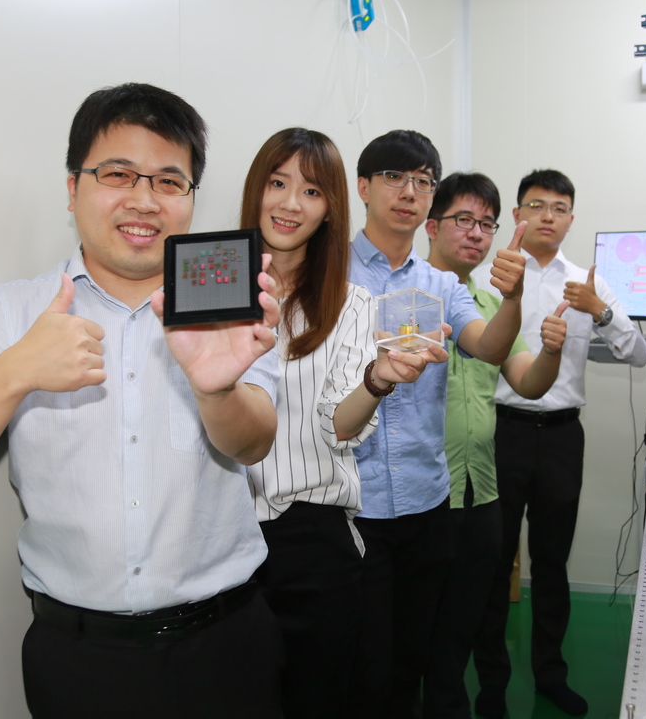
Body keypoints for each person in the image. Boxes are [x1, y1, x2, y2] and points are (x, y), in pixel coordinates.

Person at [0, 83, 284, 719]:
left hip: (226, 643)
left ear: (189, 199)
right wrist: (16, 370)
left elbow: (254, 440)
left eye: (168, 181)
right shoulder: (13, 312)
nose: (143, 199)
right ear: (72, 189)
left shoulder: (230, 307)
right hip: (78, 662)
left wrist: (217, 390)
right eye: (118, 173)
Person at [239, 128, 446, 719]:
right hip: (223, 533)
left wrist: (378, 381)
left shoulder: (350, 304)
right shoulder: (212, 288)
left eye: (311, 190)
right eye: (277, 184)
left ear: (332, 206)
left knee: (319, 697)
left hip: (312, 537)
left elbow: (339, 424)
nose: (290, 203)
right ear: (256, 190)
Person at [346, 130, 526, 719]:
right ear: (364, 186)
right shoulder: (329, 275)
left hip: (427, 503)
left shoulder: (441, 284)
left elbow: (490, 346)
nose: (409, 192)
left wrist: (514, 298)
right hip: (353, 506)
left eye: (423, 181)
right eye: (395, 177)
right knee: (362, 666)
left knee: (414, 660)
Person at [474, 168, 646, 718]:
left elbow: (638, 354)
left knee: (552, 563)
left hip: (561, 437)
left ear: (572, 218)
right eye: (536, 205)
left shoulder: (587, 284)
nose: (547, 216)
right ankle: (492, 687)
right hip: (500, 431)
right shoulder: (493, 274)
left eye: (559, 207)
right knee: (494, 563)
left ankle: (550, 675)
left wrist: (600, 310)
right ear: (519, 215)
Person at [421, 172, 569, 719]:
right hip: (420, 499)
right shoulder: (400, 298)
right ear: (431, 226)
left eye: (487, 223)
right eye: (464, 220)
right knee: (412, 639)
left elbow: (527, 381)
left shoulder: (489, 300)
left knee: (462, 629)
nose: (478, 234)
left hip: (479, 494)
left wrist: (552, 351)